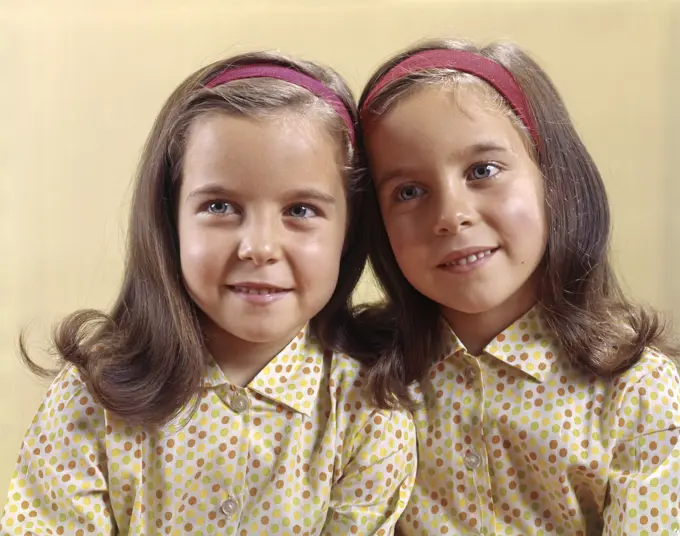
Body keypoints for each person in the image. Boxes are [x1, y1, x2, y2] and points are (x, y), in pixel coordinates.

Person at [1, 51, 416, 535]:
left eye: (301, 210)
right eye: (220, 205)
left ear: (349, 230)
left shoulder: (369, 411)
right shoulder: (91, 398)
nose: (259, 247)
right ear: (170, 219)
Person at [356, 38, 680, 535]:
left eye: (483, 170)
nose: (451, 216)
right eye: (409, 192)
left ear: (553, 178)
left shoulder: (637, 391)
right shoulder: (359, 380)